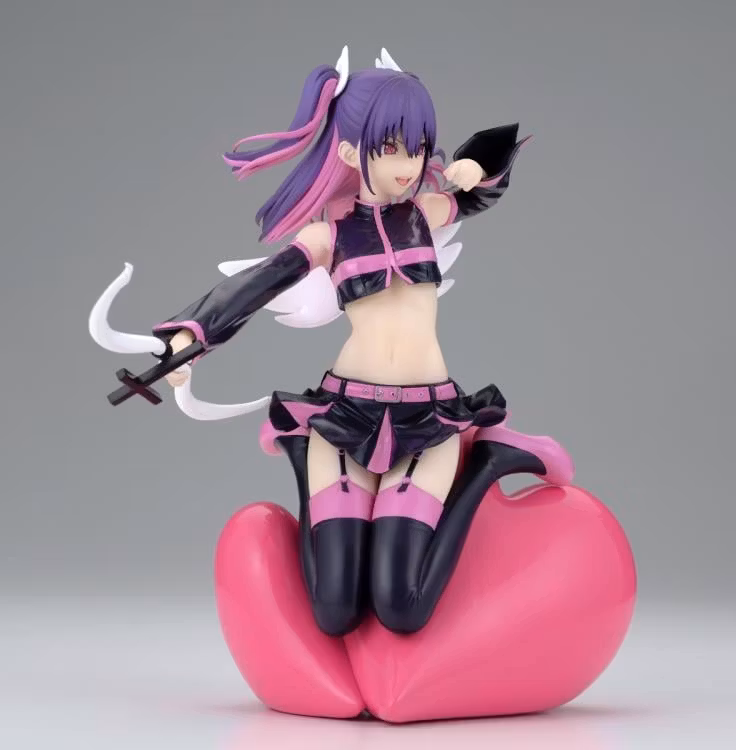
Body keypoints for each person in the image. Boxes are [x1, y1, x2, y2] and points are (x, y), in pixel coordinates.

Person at [141, 46, 575, 636]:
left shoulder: (427, 211)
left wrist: (478, 167)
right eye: (391, 148)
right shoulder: (328, 236)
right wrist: (189, 335)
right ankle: (302, 449)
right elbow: (257, 285)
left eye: (417, 148)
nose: (408, 164)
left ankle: (488, 462)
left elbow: (484, 190)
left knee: (402, 607)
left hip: (429, 418)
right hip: (345, 416)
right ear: (351, 152)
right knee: (335, 611)